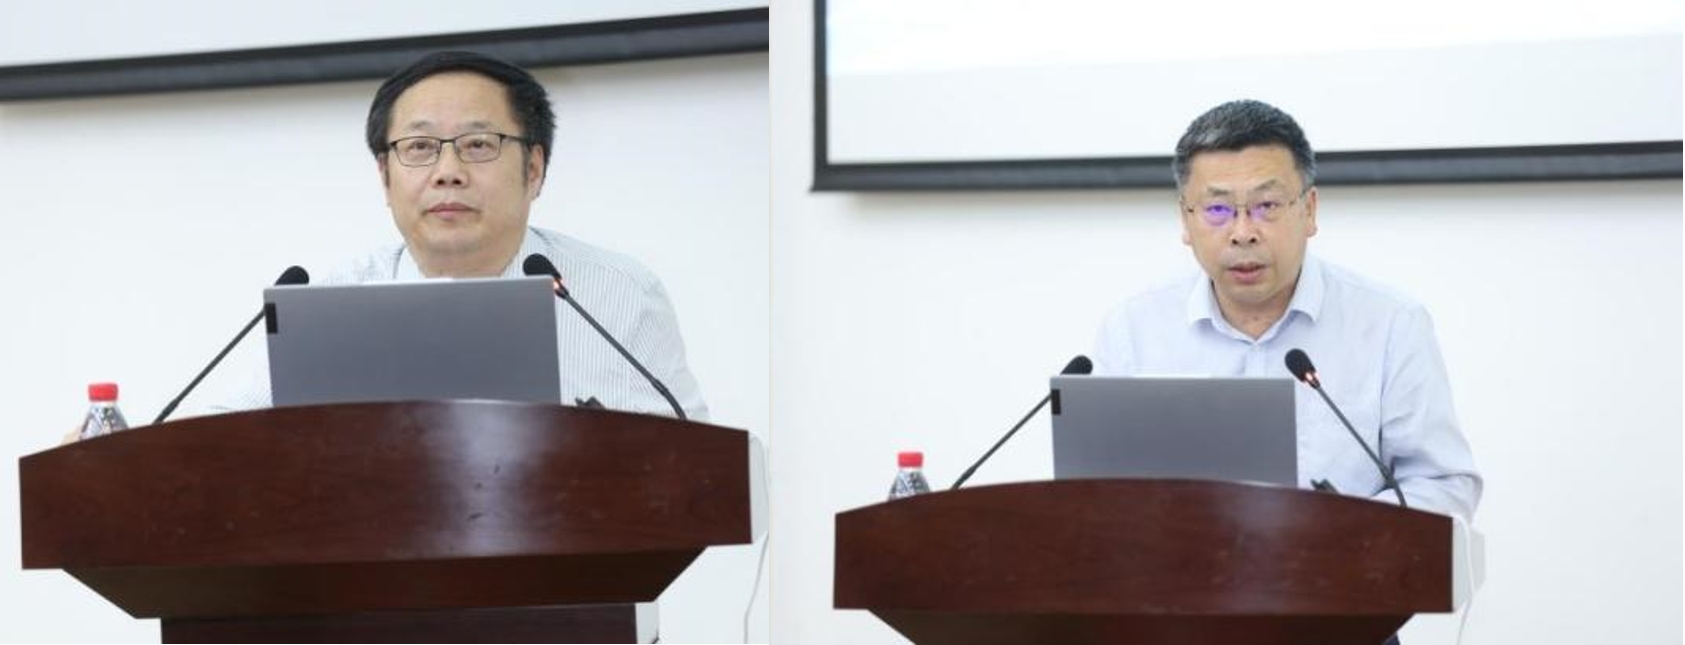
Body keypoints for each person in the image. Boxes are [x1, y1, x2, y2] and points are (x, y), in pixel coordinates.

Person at [160, 51, 704, 426]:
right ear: (385, 176)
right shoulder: (326, 305)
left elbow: (692, 470)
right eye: (419, 148)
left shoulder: (619, 294)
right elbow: (223, 443)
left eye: (478, 144)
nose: (448, 172)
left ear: (534, 169)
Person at [1091, 99, 1480, 522]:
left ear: (1309, 210)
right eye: (1217, 209)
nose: (1243, 233)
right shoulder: (1134, 331)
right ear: (1185, 220)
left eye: (1267, 206)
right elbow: (1096, 491)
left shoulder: (1390, 325)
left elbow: (1444, 485)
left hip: (1340, 562)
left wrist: (1335, 530)